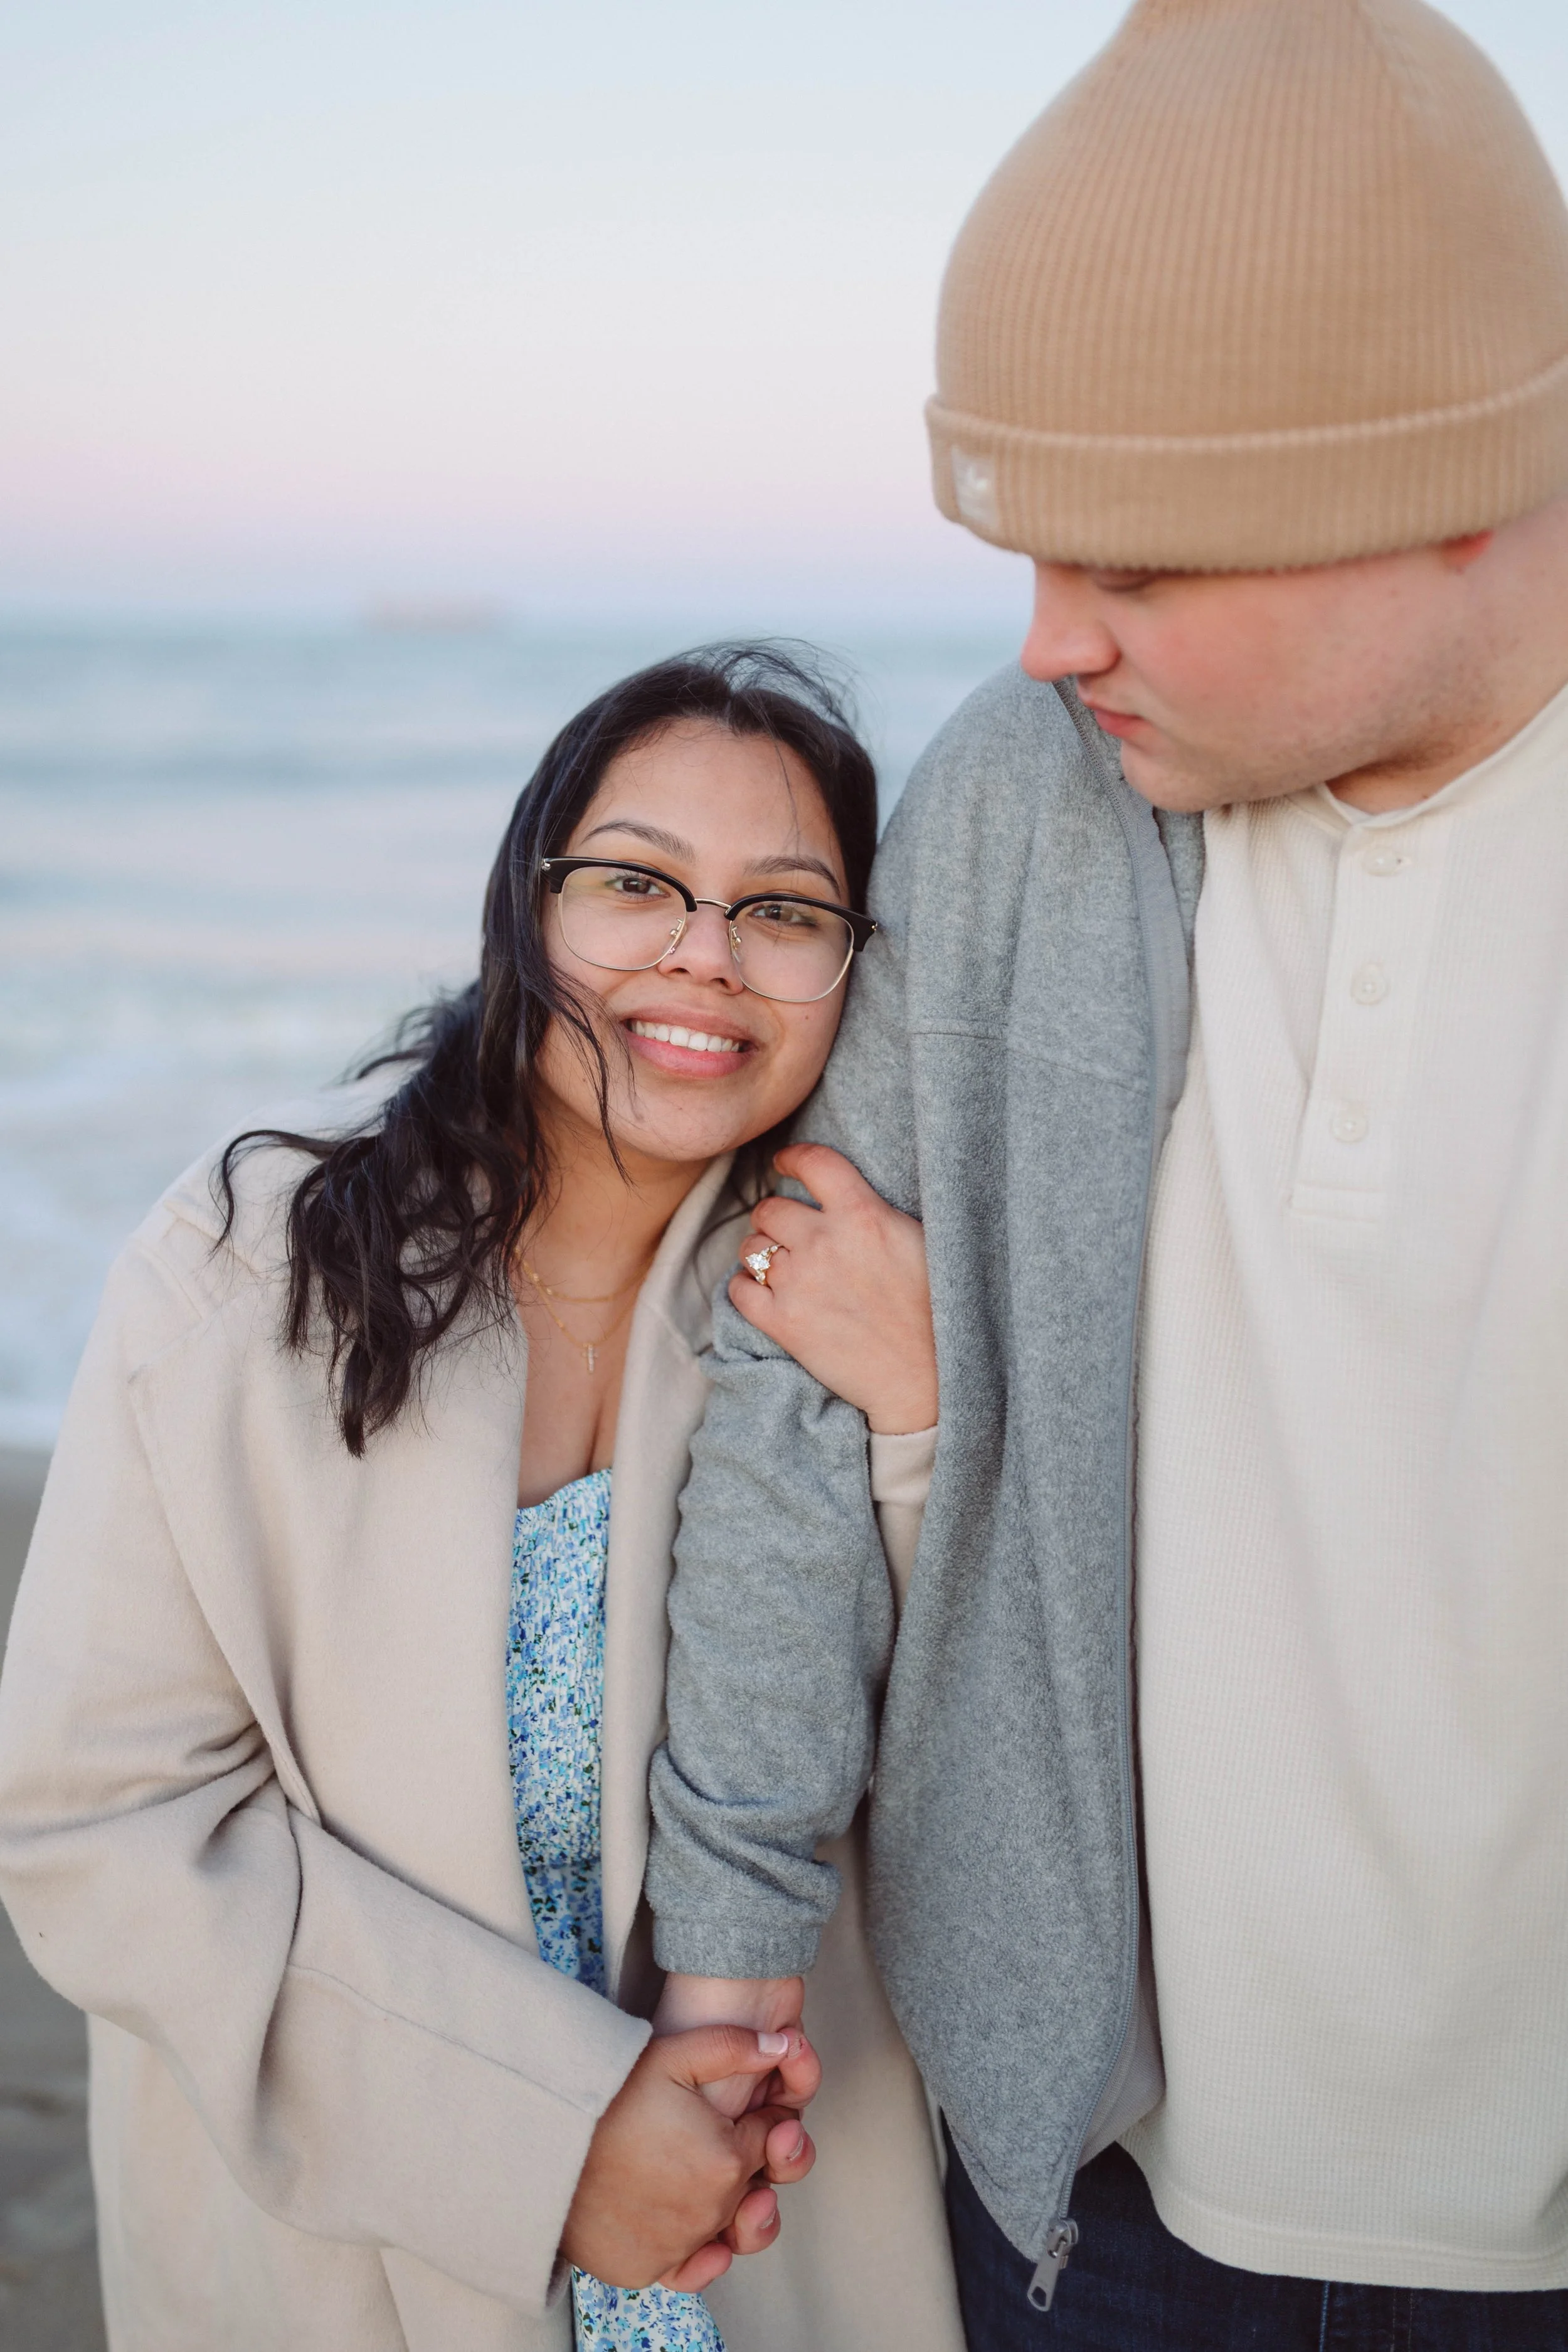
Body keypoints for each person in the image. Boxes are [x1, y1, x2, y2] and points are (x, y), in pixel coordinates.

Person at [645, 5, 1568, 2347]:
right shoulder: (1028, 794)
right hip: (1099, 2189)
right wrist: (727, 1957)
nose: (1050, 639)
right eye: (1033, 550)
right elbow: (783, 1381)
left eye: (1139, 565)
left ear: (1462, 482)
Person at [0, 645, 964, 2352]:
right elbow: (101, 1821)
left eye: (784, 910)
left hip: (771, 2211)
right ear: (527, 904)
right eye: (635, 883)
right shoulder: (257, 1263)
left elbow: (976, 1761)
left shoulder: (844, 1287)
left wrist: (918, 1417)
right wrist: (558, 2141)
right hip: (357, 2226)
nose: (704, 954)